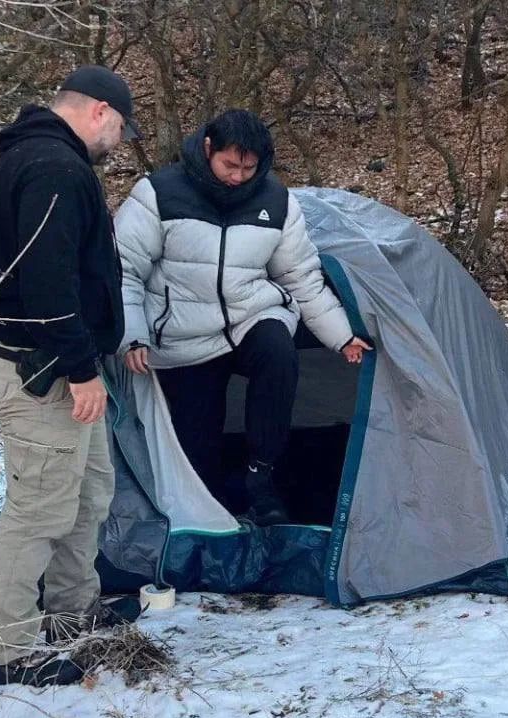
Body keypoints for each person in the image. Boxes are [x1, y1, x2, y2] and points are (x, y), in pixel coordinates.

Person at [114, 109, 371, 526]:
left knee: (278, 351)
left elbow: (300, 276)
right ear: (208, 148)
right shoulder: (158, 194)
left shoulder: (276, 201)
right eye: (230, 165)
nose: (237, 177)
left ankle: (261, 473)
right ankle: (213, 506)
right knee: (198, 449)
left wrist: (342, 336)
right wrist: (133, 335)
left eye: (248, 169)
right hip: (183, 333)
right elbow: (123, 268)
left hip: (251, 317)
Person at [0, 65, 141, 687]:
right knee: (39, 510)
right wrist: (80, 369)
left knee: (90, 490)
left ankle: (72, 610)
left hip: (61, 368)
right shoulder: (54, 169)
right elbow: (46, 289)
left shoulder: (41, 159)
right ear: (99, 111)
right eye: (119, 128)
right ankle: (4, 652)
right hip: (41, 373)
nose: (117, 142)